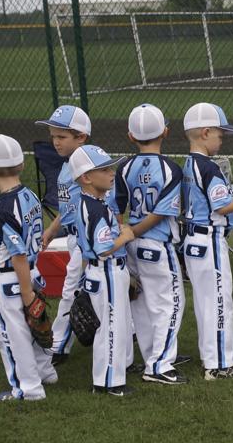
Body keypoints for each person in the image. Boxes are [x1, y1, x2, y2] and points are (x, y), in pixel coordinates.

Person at [0, 134, 57, 401]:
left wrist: (26, 292)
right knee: (33, 327)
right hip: (31, 271)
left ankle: (27, 388)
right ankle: (45, 371)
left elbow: (17, 253)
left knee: (8, 332)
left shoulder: (2, 209)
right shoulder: (29, 194)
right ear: (20, 165)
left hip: (10, 278)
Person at [181, 103, 233, 380]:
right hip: (208, 242)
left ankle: (216, 353)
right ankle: (218, 365)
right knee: (218, 302)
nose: (222, 139)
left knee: (206, 303)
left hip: (194, 240)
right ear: (205, 133)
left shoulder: (190, 163)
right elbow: (223, 205)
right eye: (220, 134)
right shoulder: (208, 168)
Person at [113, 104, 187, 385]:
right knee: (171, 304)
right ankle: (160, 365)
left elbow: (118, 207)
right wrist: (132, 231)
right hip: (157, 245)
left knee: (142, 305)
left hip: (132, 246)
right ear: (166, 132)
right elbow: (161, 213)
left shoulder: (124, 167)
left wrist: (126, 232)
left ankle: (151, 356)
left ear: (131, 136)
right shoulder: (171, 169)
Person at [70, 145, 135, 396]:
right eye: (105, 169)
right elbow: (103, 248)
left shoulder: (92, 202)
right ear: (86, 177)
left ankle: (112, 376)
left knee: (114, 326)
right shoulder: (95, 208)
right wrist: (126, 235)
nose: (111, 173)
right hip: (105, 270)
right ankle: (108, 383)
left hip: (104, 272)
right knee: (110, 328)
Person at [35, 105, 91, 365]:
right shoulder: (68, 164)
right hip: (74, 238)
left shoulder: (89, 166)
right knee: (81, 291)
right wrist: (51, 230)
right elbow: (68, 209)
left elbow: (105, 206)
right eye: (53, 136)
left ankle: (58, 346)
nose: (55, 142)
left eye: (62, 137)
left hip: (87, 241)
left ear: (81, 137)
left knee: (72, 291)